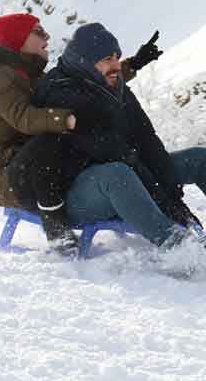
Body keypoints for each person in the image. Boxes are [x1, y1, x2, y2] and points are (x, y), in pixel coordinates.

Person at [0, 13, 164, 254]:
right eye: (38, 32)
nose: (47, 36)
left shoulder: (30, 73)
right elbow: (23, 118)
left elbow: (84, 80)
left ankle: (132, 201)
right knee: (55, 137)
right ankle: (55, 223)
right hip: (5, 174)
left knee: (83, 137)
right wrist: (67, 119)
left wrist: (130, 66)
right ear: (18, 38)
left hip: (38, 165)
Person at [32, 23, 205, 249]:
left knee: (199, 158)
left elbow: (147, 139)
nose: (115, 65)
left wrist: (172, 194)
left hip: (127, 171)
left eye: (116, 57)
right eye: (107, 59)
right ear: (85, 61)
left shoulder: (111, 84)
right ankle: (181, 249)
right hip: (76, 193)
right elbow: (113, 152)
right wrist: (171, 207)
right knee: (119, 174)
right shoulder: (62, 92)